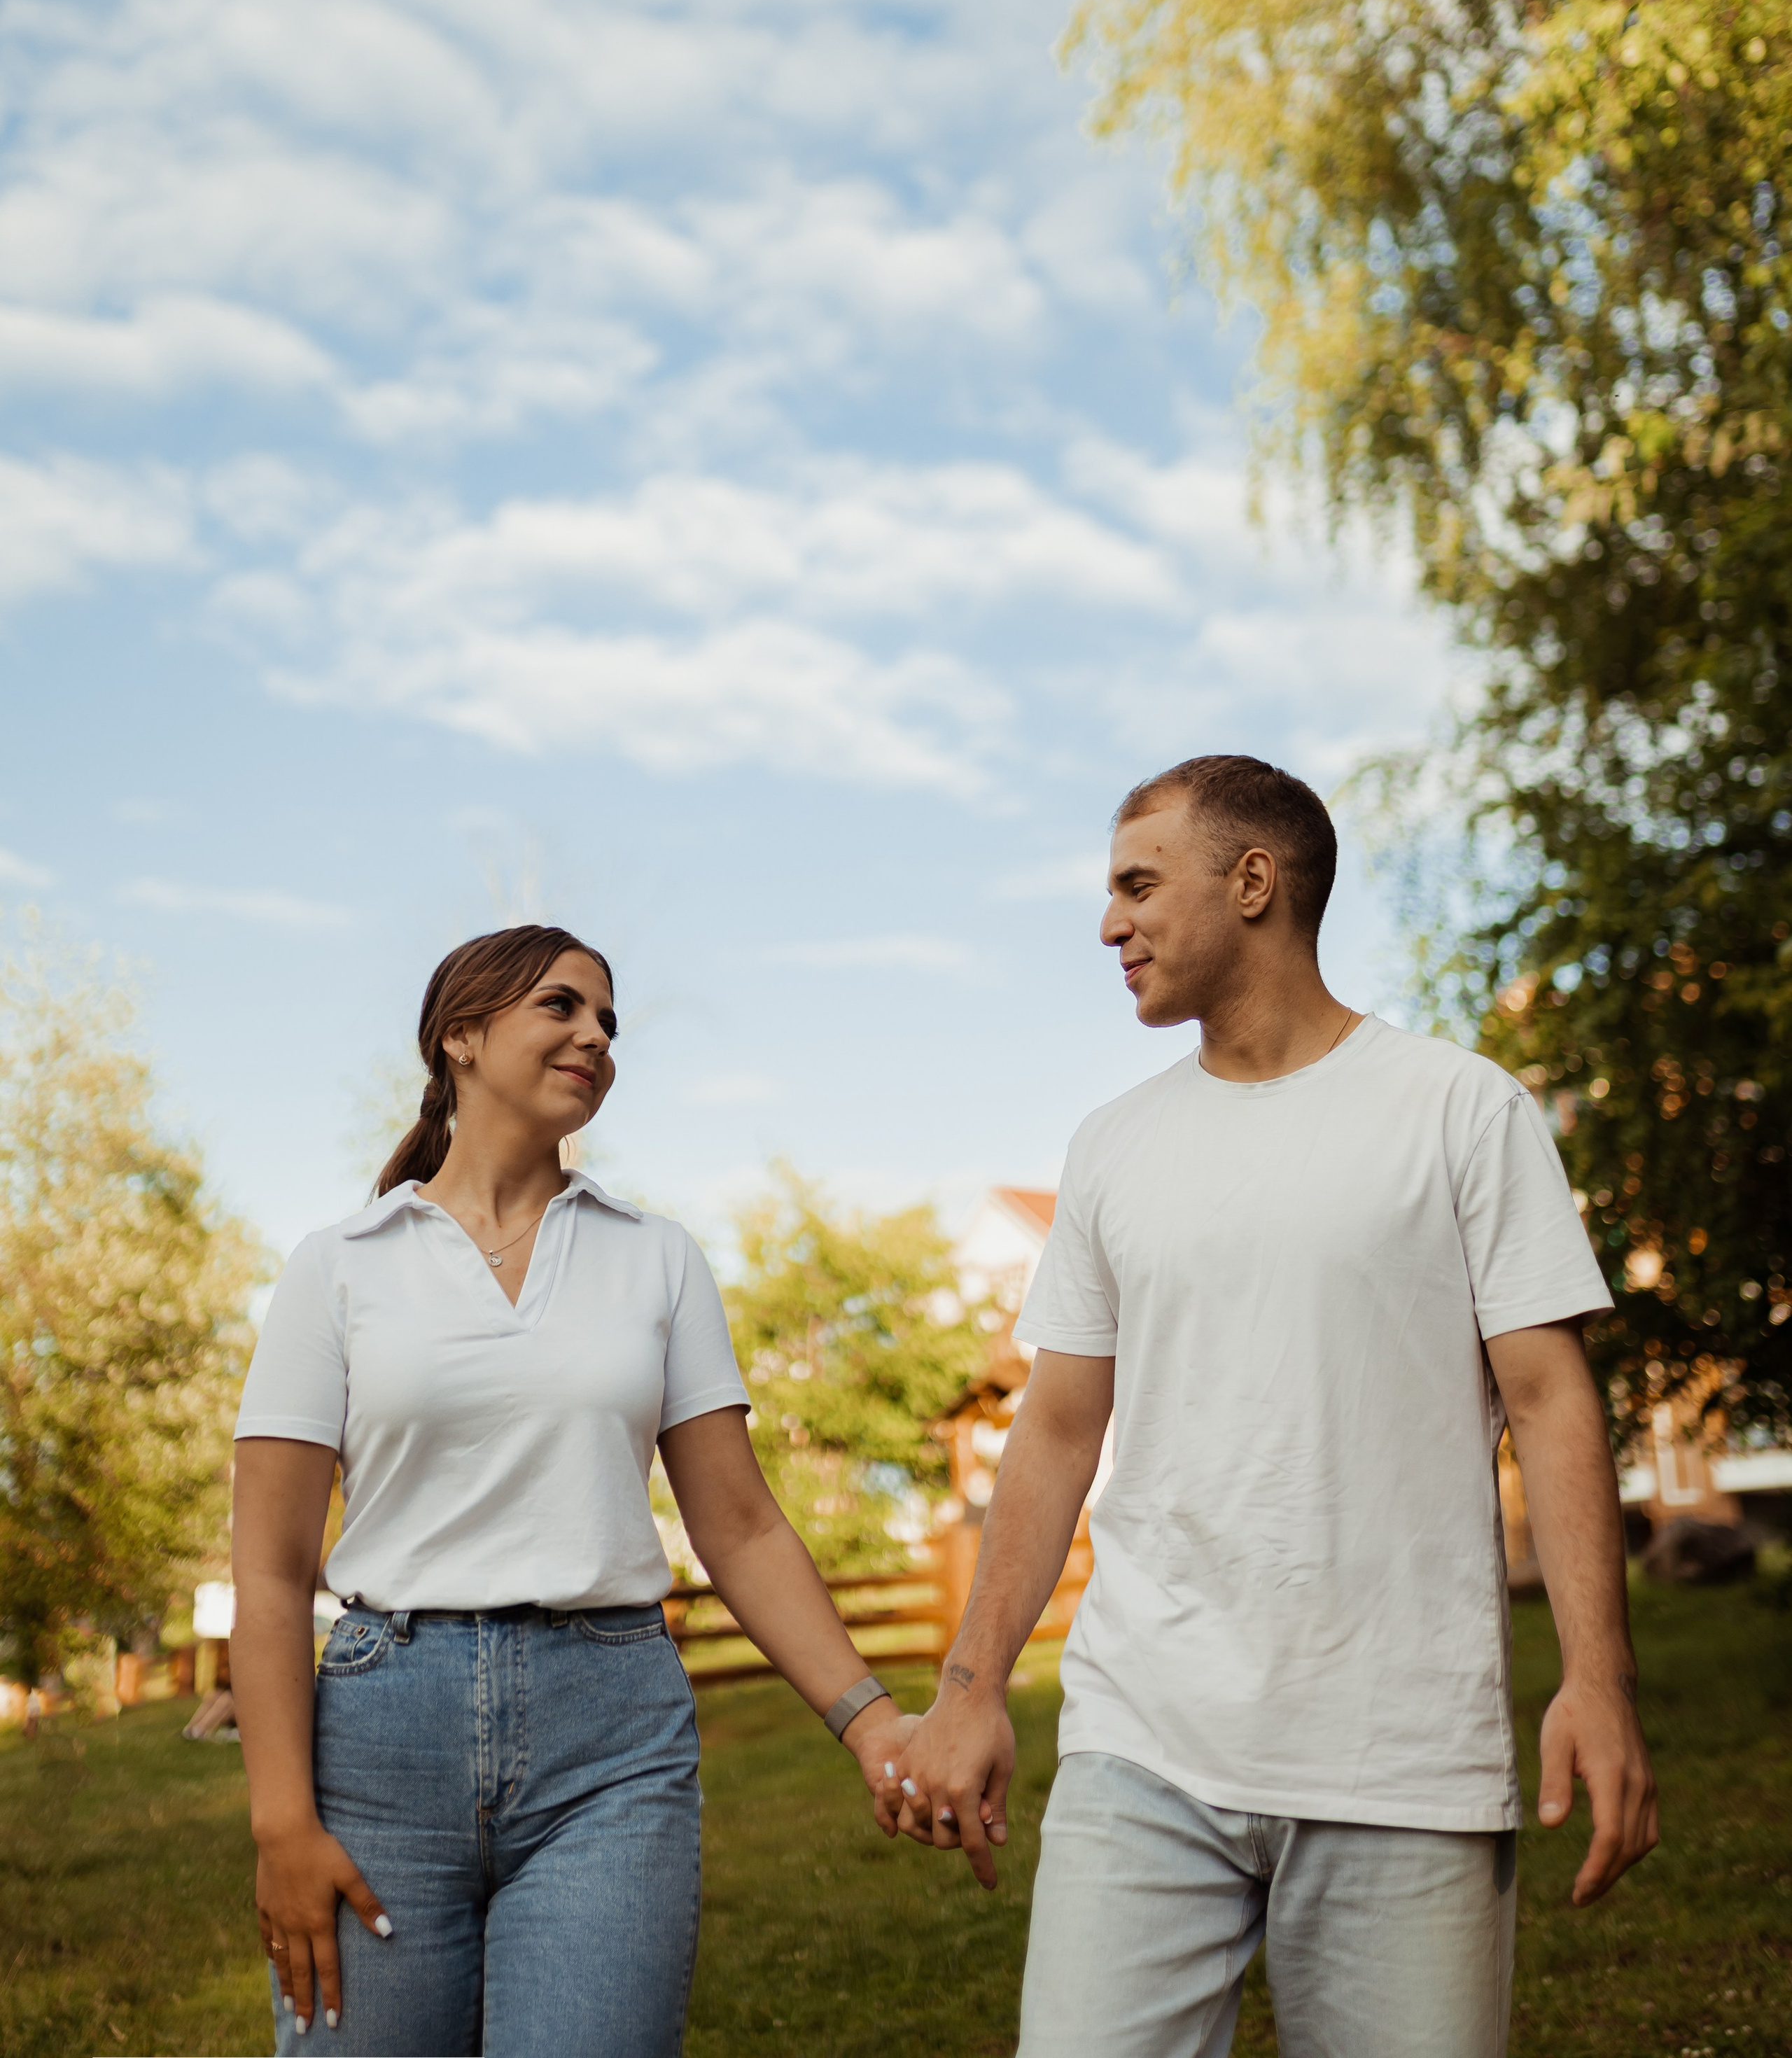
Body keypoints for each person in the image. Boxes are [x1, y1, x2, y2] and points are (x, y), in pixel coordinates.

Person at [892, 756, 1658, 2058]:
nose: (1107, 925)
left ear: (1254, 883)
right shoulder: (1113, 1147)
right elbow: (1059, 1427)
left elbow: (1547, 1394)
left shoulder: (1461, 1109)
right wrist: (970, 1687)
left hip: (1402, 1754)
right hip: (1145, 1742)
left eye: (1139, 885)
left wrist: (1599, 1677)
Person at [232, 924, 915, 2058]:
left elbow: (740, 1528)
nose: (596, 1035)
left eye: (608, 1020)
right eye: (562, 1007)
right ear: (461, 1035)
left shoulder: (657, 1257)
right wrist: (281, 1823)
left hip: (611, 1744)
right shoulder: (341, 1265)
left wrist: (870, 1719)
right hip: (382, 1742)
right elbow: (267, 1567)